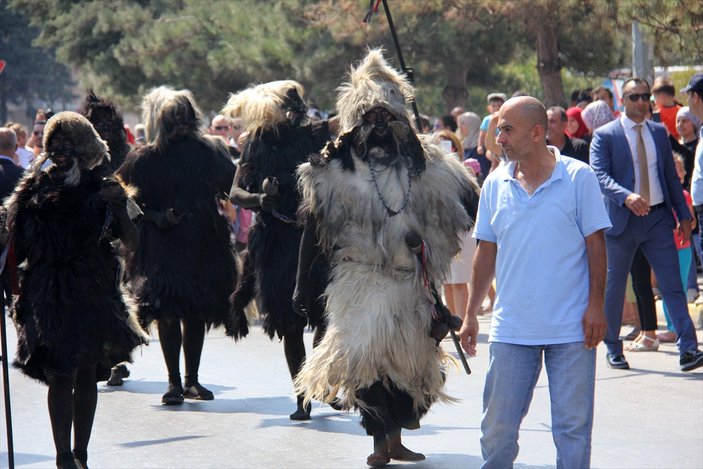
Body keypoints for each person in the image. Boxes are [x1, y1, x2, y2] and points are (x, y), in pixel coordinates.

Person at [294, 49, 478, 467]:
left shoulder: (429, 166)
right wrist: (301, 284)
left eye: (386, 117)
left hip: (410, 285)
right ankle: (380, 445)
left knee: (408, 370)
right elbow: (312, 229)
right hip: (359, 284)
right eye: (369, 118)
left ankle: (394, 440)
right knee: (369, 366)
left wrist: (426, 247)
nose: (377, 126)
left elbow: (469, 204)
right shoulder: (335, 168)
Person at [458, 96, 610, 469]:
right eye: (498, 130)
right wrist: (472, 313)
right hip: (512, 330)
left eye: (507, 130)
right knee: (497, 430)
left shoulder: (578, 178)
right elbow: (486, 252)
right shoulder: (494, 184)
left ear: (538, 132)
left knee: (572, 429)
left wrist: (596, 305)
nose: (499, 139)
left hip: (572, 330)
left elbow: (596, 245)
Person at [6, 112, 149, 469]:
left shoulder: (104, 186)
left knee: (86, 370)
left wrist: (117, 204)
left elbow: (132, 240)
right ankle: (62, 458)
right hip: (48, 294)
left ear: (84, 151)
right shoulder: (34, 188)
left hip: (93, 292)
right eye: (54, 148)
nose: (61, 155)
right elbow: (17, 247)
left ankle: (80, 454)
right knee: (60, 372)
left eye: (68, 148)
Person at [118, 86, 238, 405]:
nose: (182, 125)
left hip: (201, 245)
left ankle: (192, 381)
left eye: (185, 119)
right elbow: (128, 202)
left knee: (194, 312)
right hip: (161, 247)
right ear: (164, 122)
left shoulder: (209, 152)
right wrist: (157, 217)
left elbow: (232, 184)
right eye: (176, 119)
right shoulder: (144, 159)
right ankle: (173, 382)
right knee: (168, 313)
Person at [222, 79, 334, 420]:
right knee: (289, 323)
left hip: (316, 238)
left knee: (325, 318)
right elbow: (235, 193)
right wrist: (260, 199)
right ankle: (302, 396)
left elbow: (346, 127)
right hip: (274, 241)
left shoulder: (315, 135)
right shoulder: (255, 144)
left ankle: (318, 380)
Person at [590, 77, 703, 372]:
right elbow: (599, 176)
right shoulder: (606, 135)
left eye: (645, 97)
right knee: (614, 289)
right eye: (634, 97)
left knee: (672, 286)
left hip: (657, 219)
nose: (641, 103)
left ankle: (689, 349)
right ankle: (613, 348)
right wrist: (626, 197)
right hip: (621, 222)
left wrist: (684, 216)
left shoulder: (658, 131)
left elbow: (669, 178)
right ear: (622, 102)